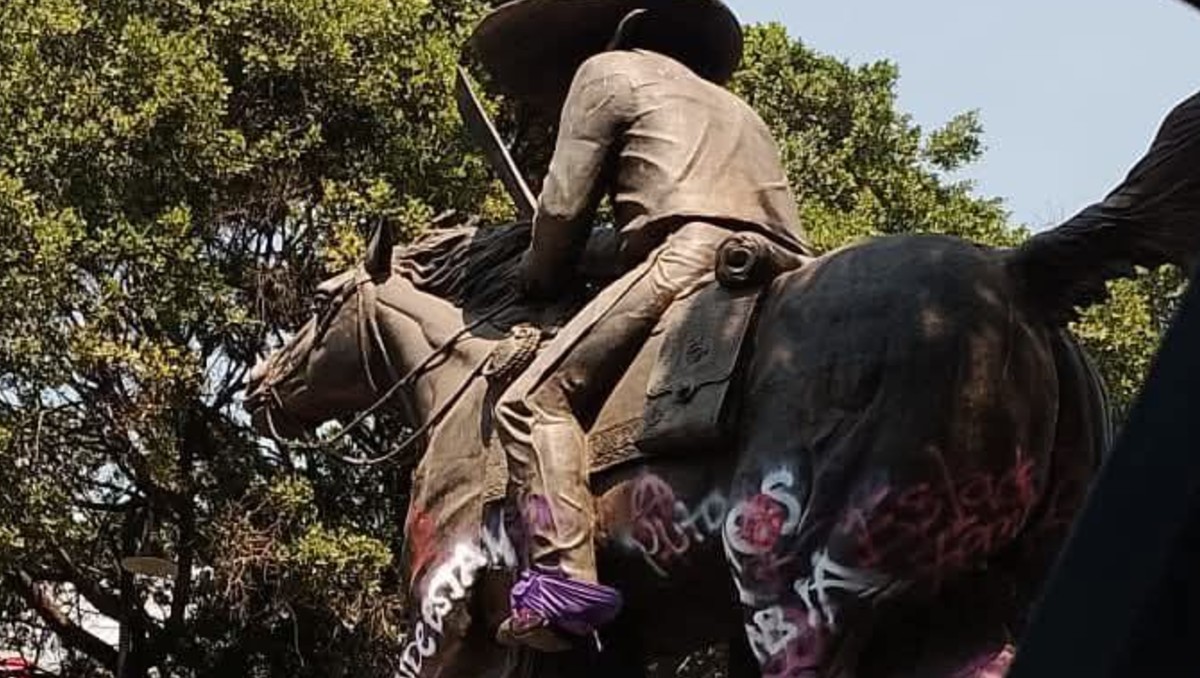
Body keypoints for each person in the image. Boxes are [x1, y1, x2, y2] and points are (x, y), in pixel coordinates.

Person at [466, 0, 809, 651]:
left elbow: (562, 211)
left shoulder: (607, 71)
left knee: (531, 402)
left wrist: (538, 272)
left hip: (689, 256)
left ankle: (562, 583)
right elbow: (645, 225)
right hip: (785, 262)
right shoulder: (736, 109)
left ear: (616, 33)